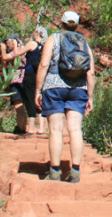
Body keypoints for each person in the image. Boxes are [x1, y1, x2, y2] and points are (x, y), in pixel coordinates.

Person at [35, 10, 94, 183]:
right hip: (79, 89)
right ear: (77, 24)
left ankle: (54, 172)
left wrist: (38, 90)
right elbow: (90, 73)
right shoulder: (84, 42)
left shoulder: (53, 39)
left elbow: (44, 64)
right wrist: (89, 96)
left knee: (55, 129)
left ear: (61, 22)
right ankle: (75, 171)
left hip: (54, 86)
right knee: (75, 129)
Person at [0, 33, 28, 135]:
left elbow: (6, 57)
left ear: (13, 41)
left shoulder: (18, 49)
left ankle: (20, 128)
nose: (7, 45)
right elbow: (6, 65)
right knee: (20, 106)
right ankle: (22, 127)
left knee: (18, 105)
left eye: (7, 43)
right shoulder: (22, 49)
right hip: (19, 80)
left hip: (17, 80)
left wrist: (2, 50)